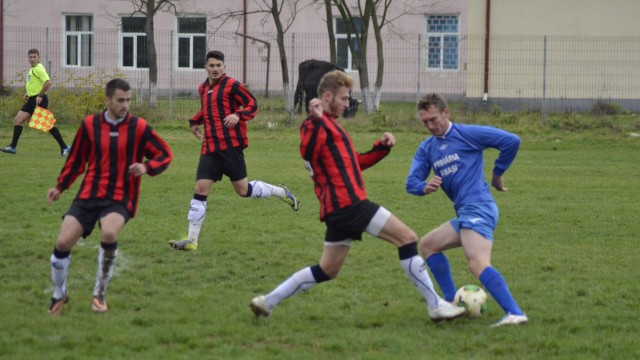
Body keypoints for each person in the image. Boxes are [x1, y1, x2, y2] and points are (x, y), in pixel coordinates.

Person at [249, 70, 465, 322]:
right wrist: (316, 119)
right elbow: (307, 152)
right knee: (407, 238)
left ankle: (267, 301)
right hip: (348, 203)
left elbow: (355, 163)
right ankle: (435, 305)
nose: (347, 103)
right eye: (344, 98)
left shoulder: (332, 126)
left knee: (327, 270)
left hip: (338, 209)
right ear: (328, 96)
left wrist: (381, 148)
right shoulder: (313, 124)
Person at [46, 78, 173, 315]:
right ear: (107, 100)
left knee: (109, 232)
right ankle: (58, 294)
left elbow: (165, 154)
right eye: (120, 100)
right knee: (62, 242)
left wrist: (146, 167)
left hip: (121, 195)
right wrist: (60, 187)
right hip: (89, 193)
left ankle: (99, 292)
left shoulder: (139, 127)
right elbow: (76, 161)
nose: (125, 105)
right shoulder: (89, 125)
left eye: (129, 100)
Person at [405, 93, 527, 327]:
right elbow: (411, 182)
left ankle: (514, 312)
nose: (430, 126)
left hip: (480, 207)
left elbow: (511, 141)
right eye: (425, 122)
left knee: (477, 263)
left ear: (446, 113)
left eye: (433, 119)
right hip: (465, 212)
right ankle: (451, 302)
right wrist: (423, 186)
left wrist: (497, 174)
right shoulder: (427, 148)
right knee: (429, 245)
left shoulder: (466, 133)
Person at [168, 50, 299, 252]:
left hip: (230, 147)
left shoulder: (232, 85)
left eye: (218, 65)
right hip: (210, 148)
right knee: (200, 190)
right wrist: (195, 122)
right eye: (211, 65)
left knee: (243, 190)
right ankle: (192, 241)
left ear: (224, 67)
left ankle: (281, 192)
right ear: (206, 67)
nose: (215, 69)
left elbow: (252, 104)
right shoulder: (203, 88)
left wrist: (238, 115)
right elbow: (208, 109)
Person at [1, 48, 70, 156]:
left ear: (39, 58)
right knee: (18, 120)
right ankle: (12, 147)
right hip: (32, 100)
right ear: (28, 58)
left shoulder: (38, 69)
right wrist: (29, 94)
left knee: (48, 125)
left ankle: (65, 147)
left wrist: (40, 95)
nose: (32, 59)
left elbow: (48, 83)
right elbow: (36, 84)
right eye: (30, 57)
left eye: (34, 57)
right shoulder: (33, 69)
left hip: (39, 101)